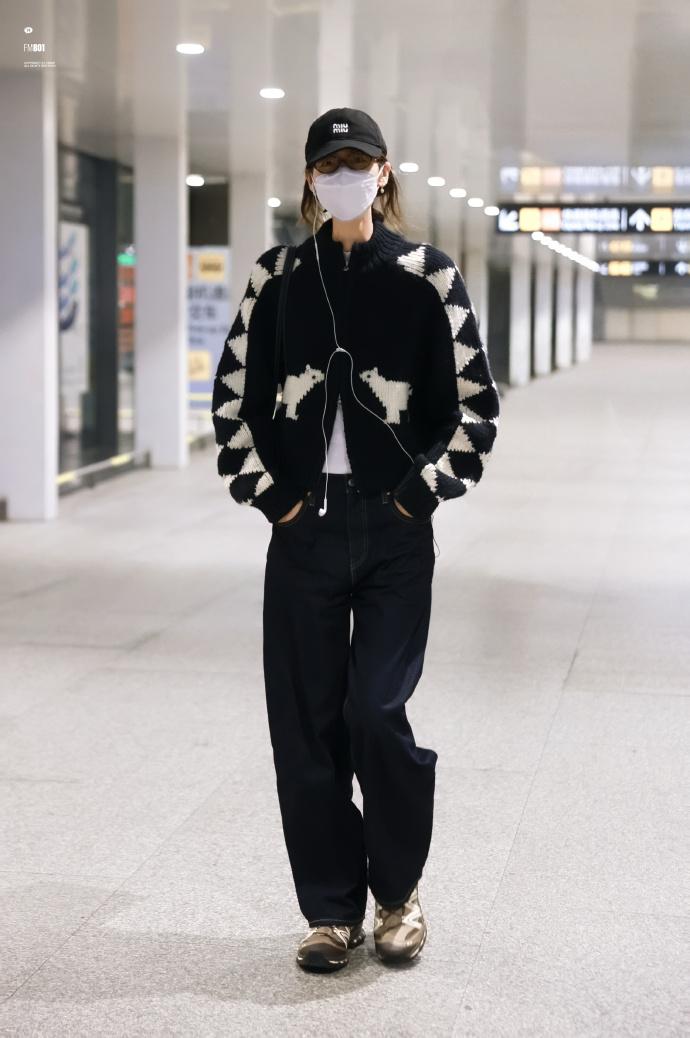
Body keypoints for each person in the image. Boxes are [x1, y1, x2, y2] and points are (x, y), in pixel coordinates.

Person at [211, 107, 500, 973]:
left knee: (376, 712)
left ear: (384, 172)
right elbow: (232, 404)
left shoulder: (427, 276)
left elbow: (475, 411)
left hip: (393, 533)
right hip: (303, 531)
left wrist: (416, 496)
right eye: (329, 164)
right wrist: (276, 502)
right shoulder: (277, 278)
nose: (344, 176)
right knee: (305, 727)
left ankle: (399, 895)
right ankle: (331, 910)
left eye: (357, 162)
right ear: (310, 179)